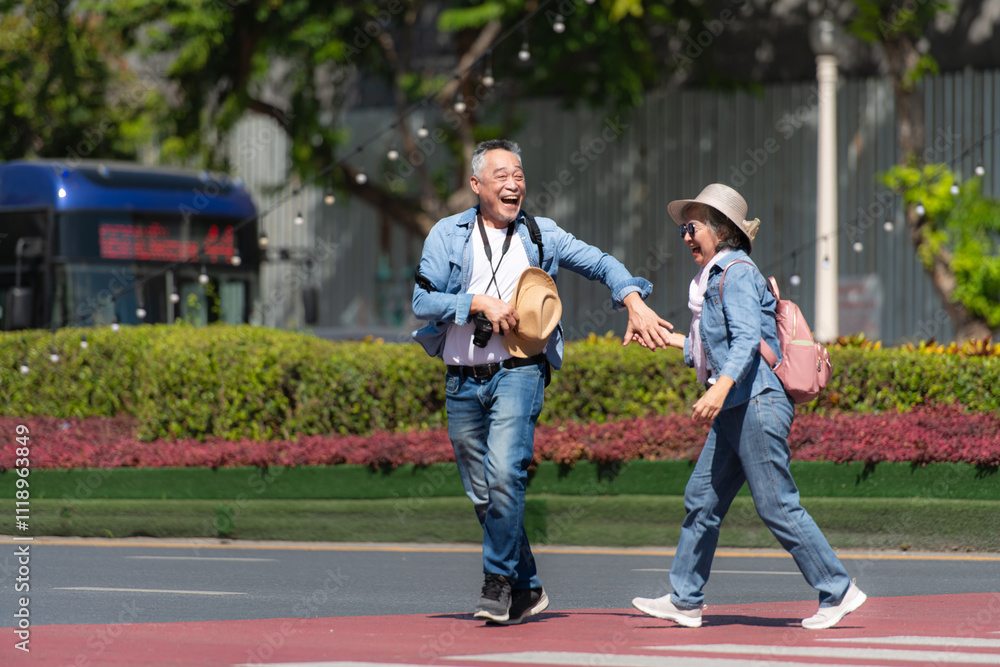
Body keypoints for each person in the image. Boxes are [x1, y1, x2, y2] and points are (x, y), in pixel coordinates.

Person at [412, 139, 673, 624]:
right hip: (461, 380)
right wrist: (477, 303)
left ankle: (496, 582)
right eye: (501, 176)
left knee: (504, 475)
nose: (514, 184)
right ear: (476, 185)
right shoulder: (447, 234)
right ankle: (527, 586)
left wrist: (633, 300)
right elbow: (422, 301)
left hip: (521, 372)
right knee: (482, 492)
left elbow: (601, 263)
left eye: (519, 175)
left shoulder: (540, 233)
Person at [630, 183, 866, 630]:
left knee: (777, 504)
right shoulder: (714, 277)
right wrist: (669, 339)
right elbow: (715, 346)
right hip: (737, 406)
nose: (685, 237)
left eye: (692, 228)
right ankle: (685, 600)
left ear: (720, 231)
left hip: (755, 401)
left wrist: (717, 391)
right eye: (683, 229)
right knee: (701, 500)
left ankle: (838, 590)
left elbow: (744, 343)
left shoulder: (736, 272)